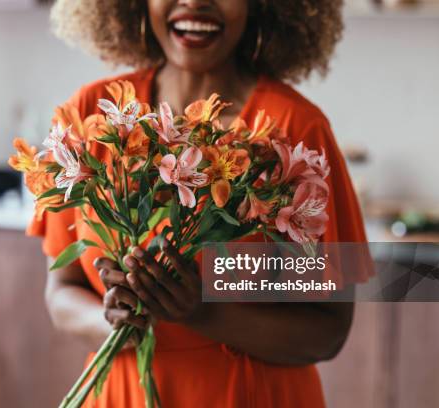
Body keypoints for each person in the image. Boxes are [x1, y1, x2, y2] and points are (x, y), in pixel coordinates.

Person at [28, 0, 369, 406]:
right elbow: (61, 293)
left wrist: (202, 313)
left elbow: (327, 331)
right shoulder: (93, 117)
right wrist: (114, 322)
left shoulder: (295, 130)